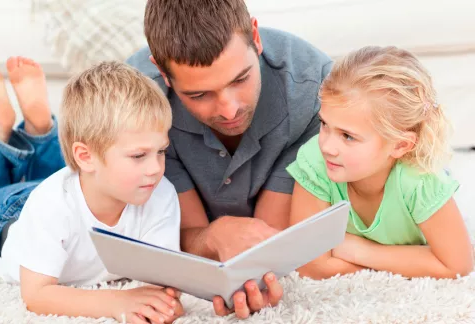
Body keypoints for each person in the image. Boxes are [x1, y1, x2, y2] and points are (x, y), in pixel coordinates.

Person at [126, 0, 331, 317]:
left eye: (240, 79)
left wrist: (247, 270)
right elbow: (174, 237)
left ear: (255, 37)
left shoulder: (312, 90)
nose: (229, 109)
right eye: (199, 95)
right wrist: (213, 237)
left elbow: (265, 241)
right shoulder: (139, 101)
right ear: (162, 72)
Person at [0, 58, 184, 324]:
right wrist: (115, 301)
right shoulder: (50, 205)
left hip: (80, 181)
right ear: (85, 157)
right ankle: (2, 130)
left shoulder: (159, 194)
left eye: (161, 151)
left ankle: (39, 132)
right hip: (11, 213)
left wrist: (162, 303)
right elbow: (36, 295)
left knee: (55, 175)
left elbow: (161, 281)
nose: (155, 168)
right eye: (139, 155)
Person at [287, 46, 474, 279]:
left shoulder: (420, 181)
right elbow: (309, 264)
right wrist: (408, 263)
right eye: (325, 124)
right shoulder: (314, 161)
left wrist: (360, 251)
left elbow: (457, 265)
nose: (326, 146)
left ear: (400, 145)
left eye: (347, 136)